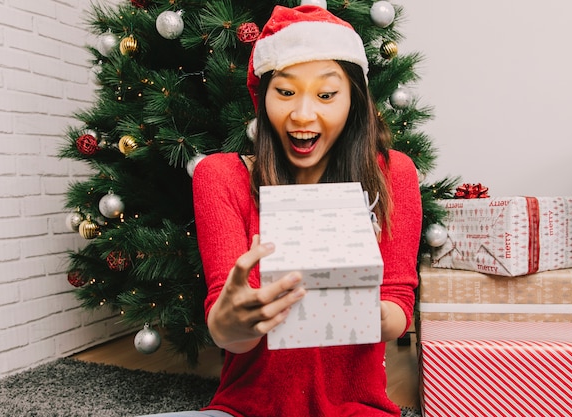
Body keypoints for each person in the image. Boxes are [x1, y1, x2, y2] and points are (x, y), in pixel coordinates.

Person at [142, 4, 422, 417]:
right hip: (247, 409)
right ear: (263, 96)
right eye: (286, 92)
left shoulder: (391, 172)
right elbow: (229, 332)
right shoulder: (221, 176)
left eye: (326, 95)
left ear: (354, 101)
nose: (303, 114)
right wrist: (234, 320)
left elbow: (398, 307)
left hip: (356, 409)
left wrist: (356, 302)